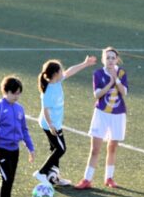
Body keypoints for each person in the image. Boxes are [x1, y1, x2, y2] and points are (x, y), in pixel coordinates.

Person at [34, 55, 96, 187]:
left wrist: (85, 64)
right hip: (49, 124)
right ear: (55, 74)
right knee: (61, 149)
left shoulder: (57, 81)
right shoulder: (48, 91)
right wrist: (51, 125)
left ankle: (54, 177)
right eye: (60, 70)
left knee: (55, 149)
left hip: (54, 123)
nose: (63, 72)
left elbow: (70, 71)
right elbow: (45, 110)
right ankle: (41, 172)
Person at [75, 47, 129, 189]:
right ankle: (87, 179)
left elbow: (124, 92)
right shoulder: (98, 73)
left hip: (118, 115)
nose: (110, 60)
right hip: (101, 113)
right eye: (107, 58)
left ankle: (109, 178)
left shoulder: (122, 73)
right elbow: (97, 95)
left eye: (113, 58)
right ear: (103, 59)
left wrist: (116, 79)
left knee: (112, 148)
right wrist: (110, 83)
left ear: (117, 59)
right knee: (95, 149)